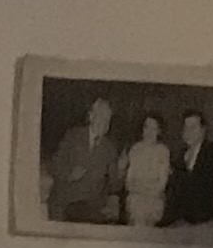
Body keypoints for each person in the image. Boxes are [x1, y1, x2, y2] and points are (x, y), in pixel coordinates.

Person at [48, 91, 121, 224]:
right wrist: (69, 174)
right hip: (66, 200)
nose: (105, 123)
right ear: (91, 116)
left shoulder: (110, 148)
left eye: (108, 119)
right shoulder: (72, 135)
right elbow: (53, 165)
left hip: (91, 207)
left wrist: (114, 198)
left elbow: (113, 183)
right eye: (101, 116)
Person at [123, 109, 175, 227]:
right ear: (142, 129)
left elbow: (161, 186)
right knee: (136, 207)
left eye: (154, 128)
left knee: (143, 211)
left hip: (154, 200)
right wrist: (140, 190)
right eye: (147, 127)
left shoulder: (163, 151)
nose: (149, 132)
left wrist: (143, 189)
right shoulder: (135, 149)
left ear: (159, 131)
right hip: (135, 198)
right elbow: (128, 183)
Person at [167, 108, 213, 227]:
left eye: (193, 127)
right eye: (186, 128)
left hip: (208, 223)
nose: (189, 132)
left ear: (203, 130)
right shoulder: (180, 157)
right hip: (183, 223)